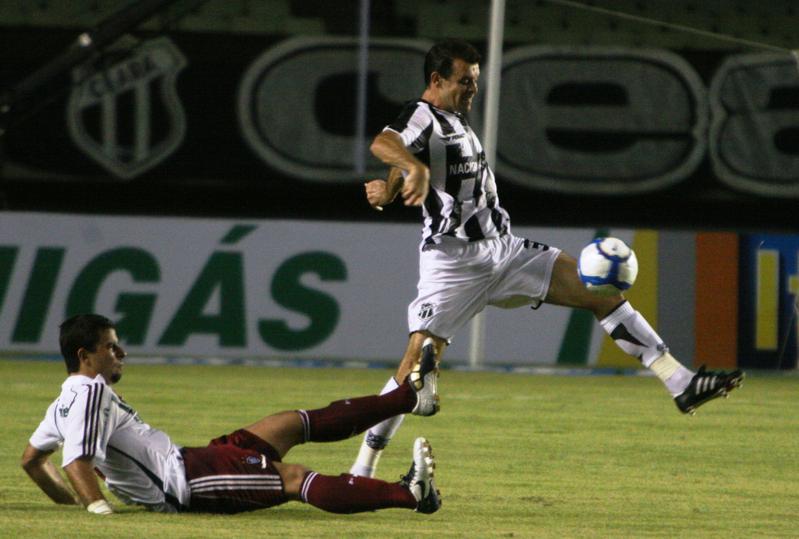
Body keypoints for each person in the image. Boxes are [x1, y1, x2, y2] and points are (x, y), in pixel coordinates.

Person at [351, 39, 744, 478]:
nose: (472, 90)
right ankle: (361, 472)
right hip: (455, 262)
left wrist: (393, 185)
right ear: (437, 80)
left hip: (506, 250)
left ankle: (680, 382)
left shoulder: (453, 121)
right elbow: (386, 142)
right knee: (412, 372)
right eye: (464, 81)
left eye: (476, 82)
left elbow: (409, 156)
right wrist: (412, 171)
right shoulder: (422, 112)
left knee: (600, 291)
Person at [21, 314, 441, 515]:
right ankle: (409, 495)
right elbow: (75, 458)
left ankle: (407, 399)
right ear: (85, 355)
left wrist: (65, 501)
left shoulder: (63, 401)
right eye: (111, 346)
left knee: (289, 422)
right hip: (183, 482)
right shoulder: (90, 391)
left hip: (191, 459)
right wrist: (95, 507)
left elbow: (31, 460)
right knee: (293, 478)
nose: (121, 353)